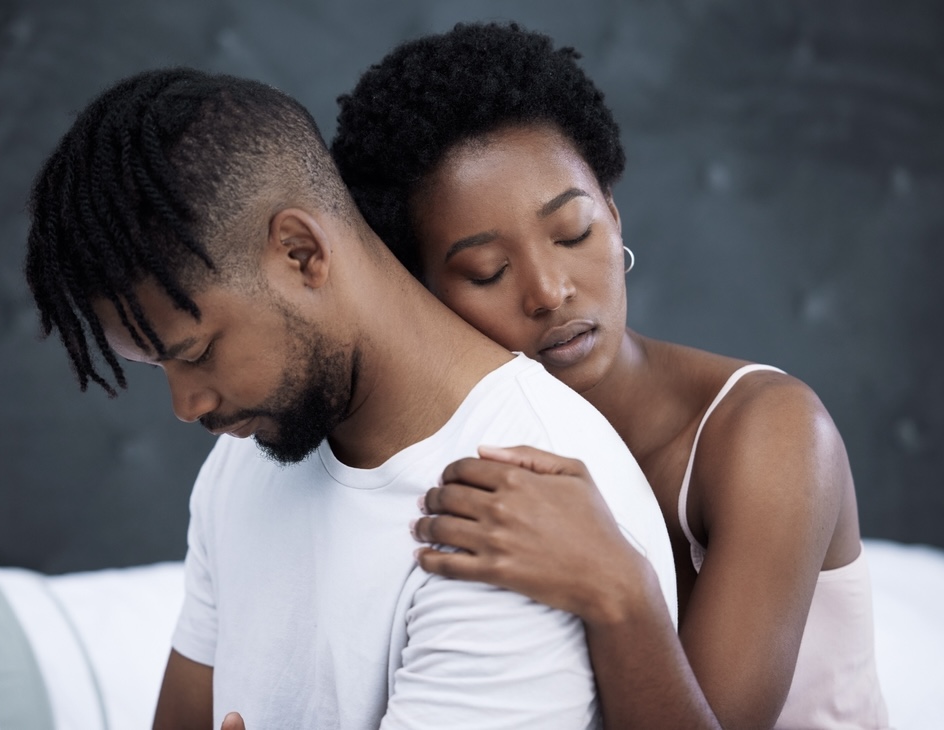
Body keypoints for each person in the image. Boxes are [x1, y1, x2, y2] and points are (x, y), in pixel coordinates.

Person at [24, 68, 677, 729]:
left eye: (194, 353)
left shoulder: (512, 503)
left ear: (302, 252)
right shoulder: (245, 460)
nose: (186, 405)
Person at [331, 21, 890, 730]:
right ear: (420, 293)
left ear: (616, 217)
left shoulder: (773, 433)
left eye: (573, 232)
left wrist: (618, 586)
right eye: (487, 271)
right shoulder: (447, 457)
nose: (548, 290)